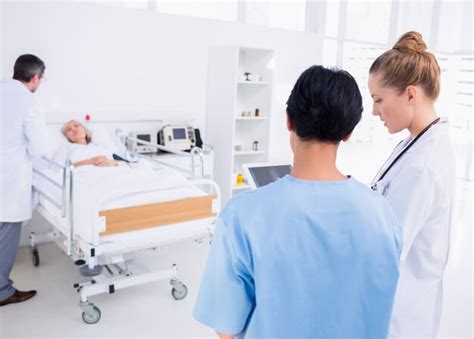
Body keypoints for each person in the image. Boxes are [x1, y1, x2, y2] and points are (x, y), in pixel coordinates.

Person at [194, 65, 403, 338]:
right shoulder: (381, 213)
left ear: (289, 120)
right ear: (348, 132)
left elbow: (226, 327)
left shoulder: (242, 217)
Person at [368, 31, 455, 338]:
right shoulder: (416, 143)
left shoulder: (424, 164)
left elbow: (386, 252)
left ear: (409, 94)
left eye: (379, 100)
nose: (375, 111)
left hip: (400, 319)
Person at [0, 54, 49, 307]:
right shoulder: (29, 102)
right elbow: (40, 147)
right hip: (8, 180)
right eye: (41, 79)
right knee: (6, 233)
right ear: (35, 77)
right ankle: (2, 292)